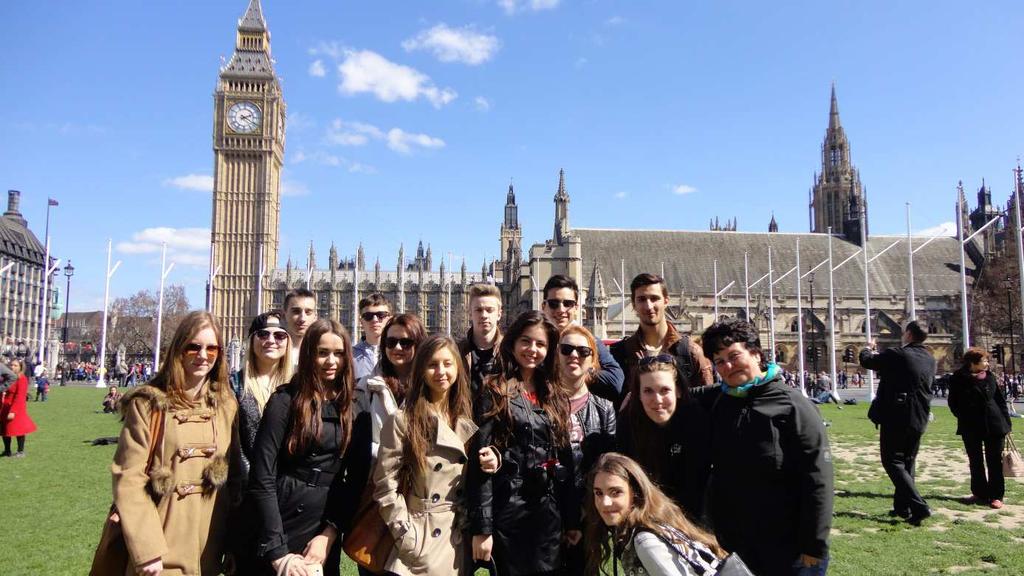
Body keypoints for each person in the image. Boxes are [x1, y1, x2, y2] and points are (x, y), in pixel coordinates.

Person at [103, 311, 239, 575]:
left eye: (212, 349)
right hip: (161, 543)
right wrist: (147, 549)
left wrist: (234, 544)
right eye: (194, 347)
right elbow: (128, 477)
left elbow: (234, 482)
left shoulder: (226, 405)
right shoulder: (149, 404)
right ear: (179, 349)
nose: (203, 355)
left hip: (209, 545)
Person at [702, 319, 832, 576]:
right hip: (737, 544)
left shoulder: (792, 404)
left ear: (756, 353)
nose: (727, 366)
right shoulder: (720, 400)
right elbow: (674, 395)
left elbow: (818, 477)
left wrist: (814, 544)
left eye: (734, 356)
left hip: (790, 546)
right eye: (719, 361)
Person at [248, 318, 372, 576]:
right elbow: (262, 477)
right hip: (280, 516)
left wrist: (329, 533)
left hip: (324, 519)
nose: (331, 362)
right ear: (308, 355)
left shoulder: (356, 406)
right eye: (322, 353)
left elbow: (356, 480)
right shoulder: (285, 401)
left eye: (338, 353)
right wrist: (278, 551)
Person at [468, 311, 579, 576]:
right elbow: (479, 463)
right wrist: (482, 529)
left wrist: (572, 519)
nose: (532, 349)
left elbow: (566, 459)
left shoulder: (554, 394)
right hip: (509, 511)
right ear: (513, 343)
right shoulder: (494, 390)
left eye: (541, 344)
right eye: (526, 342)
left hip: (548, 514)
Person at [372, 335, 479, 575]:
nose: (441, 371)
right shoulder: (403, 421)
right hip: (421, 537)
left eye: (447, 363)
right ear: (421, 370)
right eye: (432, 364)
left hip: (457, 538)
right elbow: (385, 486)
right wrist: (406, 535)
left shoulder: (465, 419)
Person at [585, 453, 726, 576]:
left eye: (615, 492)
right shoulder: (653, 524)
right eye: (598, 493)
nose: (604, 502)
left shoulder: (647, 542)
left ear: (635, 493)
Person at [616, 356, 711, 524]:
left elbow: (696, 484)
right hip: (645, 515)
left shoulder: (696, 420)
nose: (657, 400)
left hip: (691, 517)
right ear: (637, 394)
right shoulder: (629, 422)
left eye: (665, 390)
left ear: (678, 391)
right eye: (648, 391)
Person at [859, 321, 934, 525]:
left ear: (908, 334)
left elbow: (867, 361)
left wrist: (868, 347)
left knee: (892, 460)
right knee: (908, 461)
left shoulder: (898, 354)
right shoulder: (929, 357)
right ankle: (903, 507)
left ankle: (919, 506)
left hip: (898, 415)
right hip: (920, 415)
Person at [558, 324, 616, 575]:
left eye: (583, 351)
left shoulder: (604, 409)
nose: (574, 355)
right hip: (546, 524)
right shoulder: (537, 405)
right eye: (566, 349)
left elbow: (606, 468)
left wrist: (582, 517)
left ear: (593, 360)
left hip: (588, 522)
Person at [611, 274, 713, 410]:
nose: (648, 306)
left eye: (654, 298)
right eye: (641, 299)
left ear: (666, 301)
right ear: (634, 304)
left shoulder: (690, 351)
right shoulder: (620, 353)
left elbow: (708, 402)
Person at [541, 275, 624, 404]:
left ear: (576, 307)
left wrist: (581, 370)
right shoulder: (535, 343)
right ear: (543, 306)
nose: (561, 309)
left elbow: (615, 381)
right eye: (553, 304)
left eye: (568, 303)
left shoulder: (590, 341)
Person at [947, 347, 1012, 509]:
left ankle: (996, 495)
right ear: (973, 363)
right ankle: (979, 492)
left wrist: (1006, 423)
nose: (987, 363)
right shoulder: (958, 378)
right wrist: (964, 416)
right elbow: (952, 402)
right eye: (984, 360)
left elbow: (1000, 401)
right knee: (975, 460)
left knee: (994, 461)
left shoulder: (989, 377)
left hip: (994, 424)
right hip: (970, 426)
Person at [354, 313, 425, 462]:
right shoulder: (366, 386)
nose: (397, 347)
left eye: (405, 342)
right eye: (391, 342)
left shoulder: (429, 387)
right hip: (377, 473)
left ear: (419, 344)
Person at [235, 311, 295, 478]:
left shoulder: (298, 387)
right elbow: (232, 445)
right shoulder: (234, 385)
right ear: (252, 340)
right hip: (246, 486)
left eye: (279, 336)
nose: (270, 340)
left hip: (287, 490)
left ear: (288, 342)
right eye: (262, 334)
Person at [458, 283, 503, 403]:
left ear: (499, 314)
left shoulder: (509, 351)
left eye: (489, 310)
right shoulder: (457, 352)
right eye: (478, 310)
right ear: (470, 314)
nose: (484, 315)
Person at [1, 359, 37, 458]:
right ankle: (7, 450)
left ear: (21, 367)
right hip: (5, 406)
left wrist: (13, 411)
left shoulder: (21, 379)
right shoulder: (6, 377)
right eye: (11, 365)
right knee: (5, 429)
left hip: (17, 407)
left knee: (18, 429)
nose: (12, 367)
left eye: (15, 365)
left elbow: (20, 396)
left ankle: (20, 451)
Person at [352, 293, 392, 380]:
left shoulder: (399, 353)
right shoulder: (349, 355)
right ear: (361, 321)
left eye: (381, 315)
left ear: (389, 319)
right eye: (368, 316)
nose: (375, 320)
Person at [284, 288, 318, 362]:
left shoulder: (320, 352)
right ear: (285, 315)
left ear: (315, 316)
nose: (302, 318)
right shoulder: (274, 350)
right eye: (296, 311)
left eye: (308, 312)